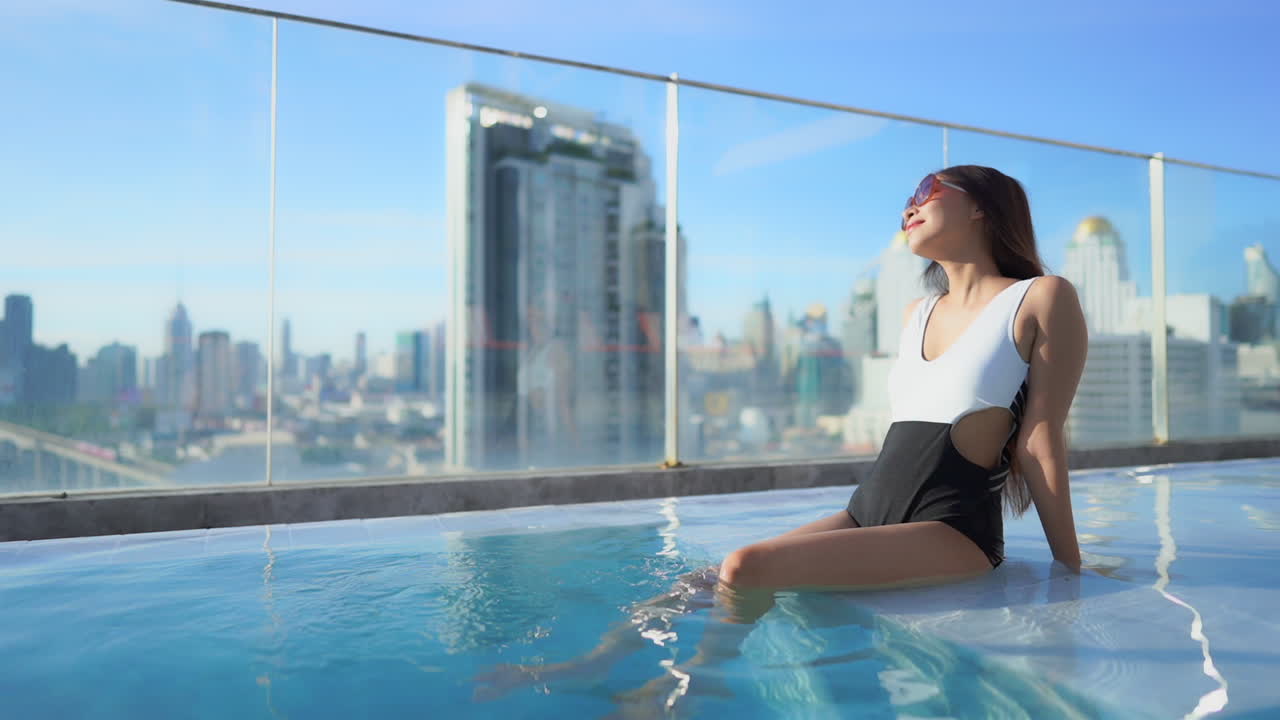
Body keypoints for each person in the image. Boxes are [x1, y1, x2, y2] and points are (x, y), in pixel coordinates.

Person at [474, 165, 1089, 709]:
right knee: (701, 580)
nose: (910, 205)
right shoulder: (917, 313)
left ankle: (691, 689)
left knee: (747, 567)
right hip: (868, 511)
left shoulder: (1039, 297)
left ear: (981, 206)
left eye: (928, 189)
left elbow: (1038, 439)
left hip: (953, 529)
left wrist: (1071, 567)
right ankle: (591, 664)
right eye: (908, 196)